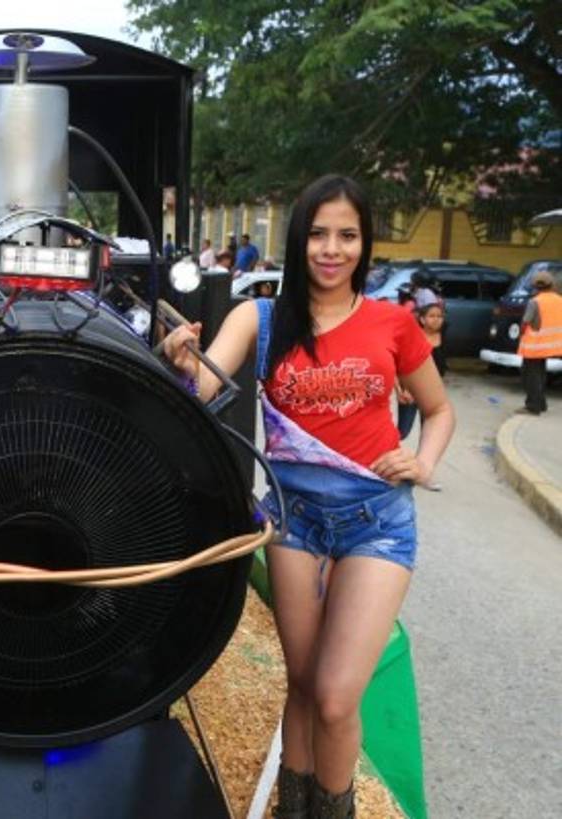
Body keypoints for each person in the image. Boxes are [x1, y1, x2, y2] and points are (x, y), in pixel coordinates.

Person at [164, 174, 454, 819]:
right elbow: (199, 395)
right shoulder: (261, 317)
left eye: (347, 235)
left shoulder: (393, 323)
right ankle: (292, 808)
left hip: (376, 523)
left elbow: (438, 411)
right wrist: (181, 361)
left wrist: (424, 460)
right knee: (300, 683)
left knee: (333, 696)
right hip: (295, 522)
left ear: (364, 242)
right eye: (319, 234)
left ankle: (334, 810)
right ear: (299, 241)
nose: (332, 249)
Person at [397, 302, 447, 440]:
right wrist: (401, 389)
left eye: (439, 316)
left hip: (432, 393)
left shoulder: (446, 337)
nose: (436, 319)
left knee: (429, 432)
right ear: (422, 319)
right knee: (402, 432)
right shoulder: (412, 338)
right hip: (411, 392)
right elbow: (398, 365)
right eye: (431, 316)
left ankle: (421, 461)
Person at [517, 270, 561, 415]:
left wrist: (521, 333)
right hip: (552, 344)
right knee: (540, 374)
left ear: (535, 286)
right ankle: (541, 403)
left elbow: (526, 322)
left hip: (534, 345)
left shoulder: (535, 301)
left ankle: (533, 406)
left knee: (530, 376)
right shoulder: (559, 300)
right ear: (551, 284)